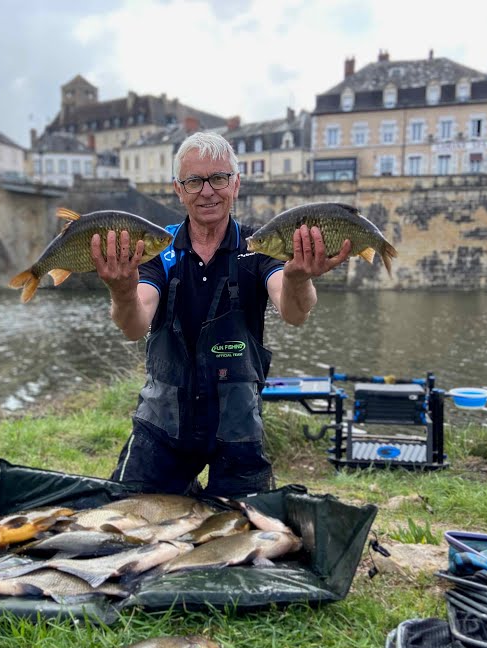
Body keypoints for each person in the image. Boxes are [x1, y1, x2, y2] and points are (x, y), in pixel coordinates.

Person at [90, 131, 351, 497]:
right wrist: (121, 289)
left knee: (249, 538)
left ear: (236, 184)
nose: (207, 191)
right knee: (125, 520)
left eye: (219, 178)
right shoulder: (158, 249)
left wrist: (297, 278)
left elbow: (294, 312)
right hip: (163, 423)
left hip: (238, 424)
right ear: (178, 190)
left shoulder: (260, 246)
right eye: (194, 181)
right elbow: (135, 326)